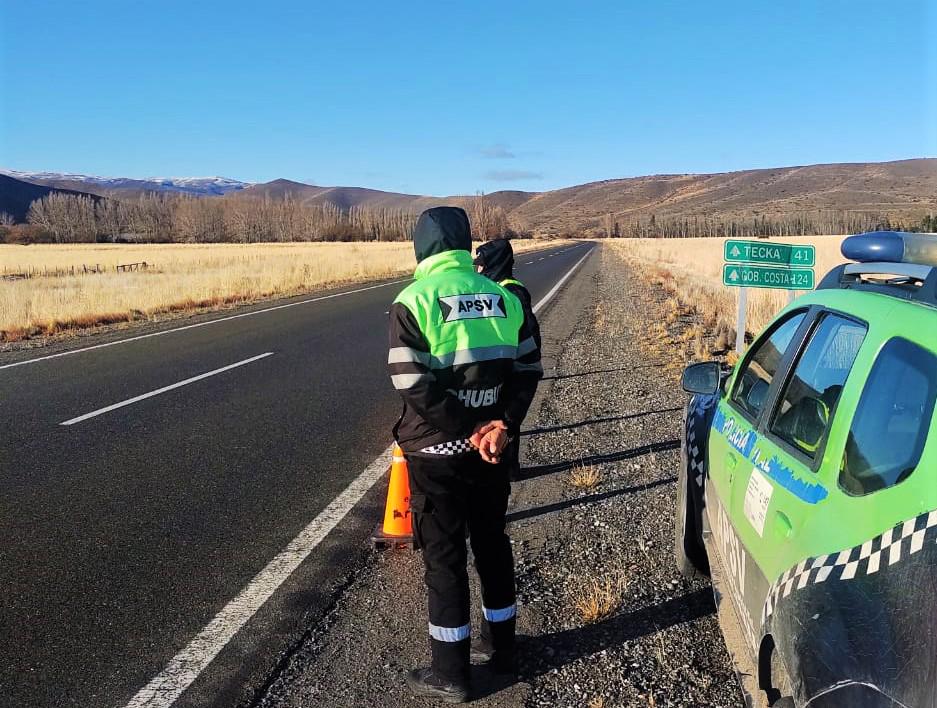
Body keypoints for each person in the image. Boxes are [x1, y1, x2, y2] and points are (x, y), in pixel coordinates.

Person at [387, 207, 542, 702]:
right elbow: (529, 368)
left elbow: (410, 382)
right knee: (493, 544)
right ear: (464, 244)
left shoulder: (413, 301)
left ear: (421, 247)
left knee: (445, 558)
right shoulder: (505, 297)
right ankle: (504, 650)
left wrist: (469, 427)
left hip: (436, 453)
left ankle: (451, 672)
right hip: (493, 450)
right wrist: (501, 425)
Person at [473, 239, 542, 480]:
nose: (478, 269)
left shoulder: (510, 291)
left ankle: (509, 469)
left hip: (511, 365)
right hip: (501, 364)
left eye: (481, 264)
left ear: (493, 263)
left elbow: (528, 333)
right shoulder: (494, 288)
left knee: (507, 421)